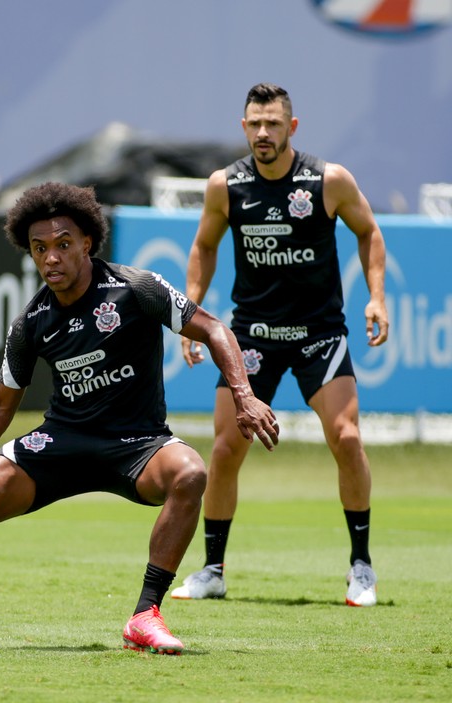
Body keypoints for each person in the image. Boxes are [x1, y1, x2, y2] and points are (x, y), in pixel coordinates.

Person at [0, 181, 279, 656]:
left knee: (190, 473)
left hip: (138, 444)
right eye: (39, 248)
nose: (52, 258)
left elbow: (213, 328)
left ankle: (145, 616)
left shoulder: (136, 288)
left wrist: (243, 395)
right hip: (62, 443)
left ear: (87, 243)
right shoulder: (31, 323)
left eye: (63, 245)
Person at [170, 83, 388, 607]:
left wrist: (377, 297)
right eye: (253, 123)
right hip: (252, 337)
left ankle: (361, 567)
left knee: (348, 438)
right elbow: (203, 247)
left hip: (319, 334)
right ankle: (213, 570)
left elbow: (370, 232)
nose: (262, 132)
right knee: (224, 450)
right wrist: (191, 315)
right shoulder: (226, 185)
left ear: (292, 128)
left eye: (272, 123)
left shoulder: (327, 180)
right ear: (242, 127)